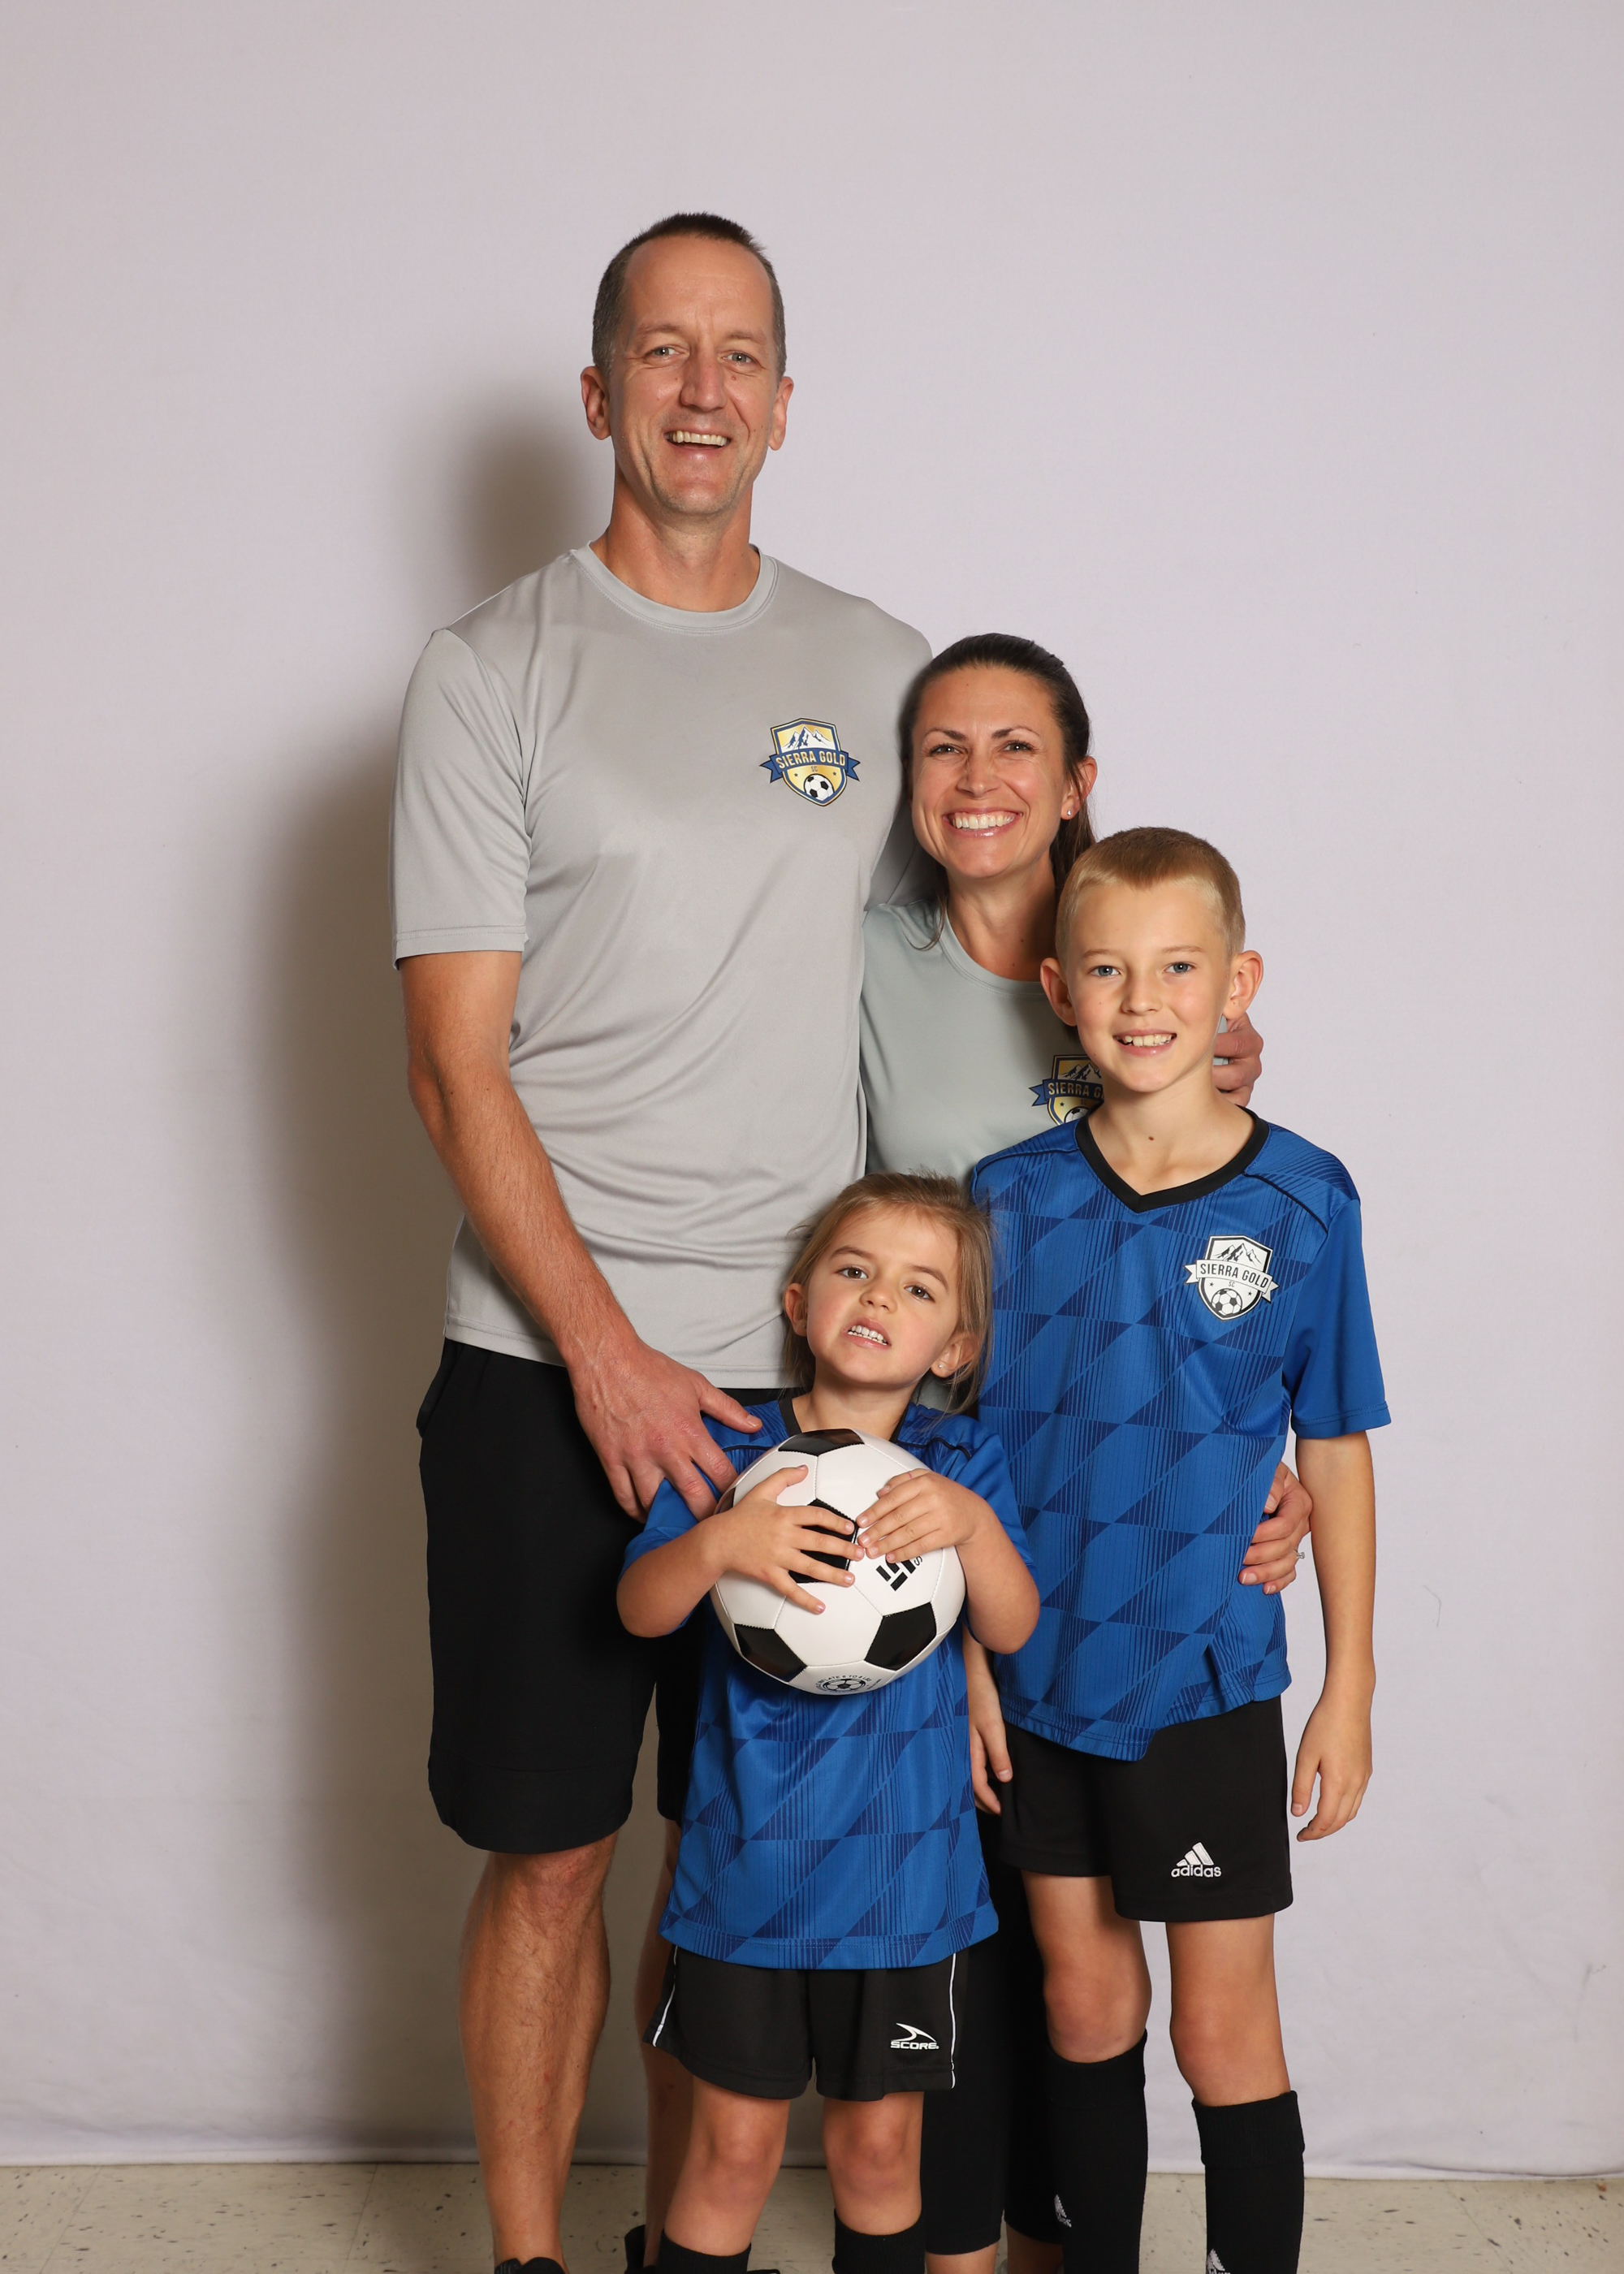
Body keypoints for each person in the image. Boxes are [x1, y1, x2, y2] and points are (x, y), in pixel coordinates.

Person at [391, 212, 931, 2274]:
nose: (702, 389)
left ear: (785, 403)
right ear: (597, 388)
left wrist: (1184, 1061)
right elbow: (453, 1067)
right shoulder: (490, 670)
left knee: (753, 1864)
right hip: (544, 1370)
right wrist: (607, 1354)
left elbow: (976, 974)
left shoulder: (878, 670)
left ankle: (674, 2253)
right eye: (661, 350)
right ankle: (531, 2259)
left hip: (812, 1385)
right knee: (551, 1856)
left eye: (740, 354)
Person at [858, 637, 1315, 2274]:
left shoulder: (1250, 1126)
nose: (979, 778)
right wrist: (968, 1631)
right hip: (992, 1582)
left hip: (1173, 1627)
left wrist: (1262, 1476)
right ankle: (1006, 2240)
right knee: (1048, 1977)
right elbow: (947, 1377)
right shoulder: (878, 985)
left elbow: (1274, 1336)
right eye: (942, 746)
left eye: (1016, 747)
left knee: (1188, 2009)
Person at [971, 828, 1388, 2274]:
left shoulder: (1306, 1199)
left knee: (1220, 2033)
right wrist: (966, 1666)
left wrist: (1348, 1683)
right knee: (1085, 2010)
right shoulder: (1005, 1199)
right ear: (1058, 991)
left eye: (1177, 969)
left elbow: (1336, 1445)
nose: (1142, 1001)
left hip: (1204, 1683)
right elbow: (957, 1457)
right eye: (1106, 970)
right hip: (1037, 1680)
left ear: (1237, 984)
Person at [617, 1175, 1039, 2274]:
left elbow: (1013, 1623)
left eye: (920, 1288)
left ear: (956, 1346)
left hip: (904, 1884)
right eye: (854, 1270)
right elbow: (638, 1609)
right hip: (747, 1876)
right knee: (731, 2153)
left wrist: (973, 1528)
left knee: (878, 2152)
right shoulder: (732, 1452)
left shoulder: (960, 1464)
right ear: (799, 1303)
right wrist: (719, 1544)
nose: (879, 1296)